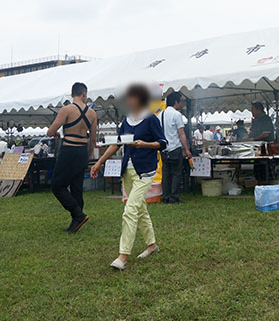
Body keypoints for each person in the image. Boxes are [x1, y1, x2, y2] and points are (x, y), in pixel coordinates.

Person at [91, 84, 166, 270]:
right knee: (140, 210)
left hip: (145, 171)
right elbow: (117, 144)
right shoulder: (127, 121)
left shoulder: (151, 119)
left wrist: (145, 144)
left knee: (130, 210)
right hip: (128, 171)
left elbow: (162, 143)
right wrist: (99, 162)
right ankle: (152, 245)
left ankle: (122, 256)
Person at [46, 82, 97, 232]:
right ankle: (76, 221)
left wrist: (55, 132)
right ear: (84, 94)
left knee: (57, 186)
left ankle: (78, 214)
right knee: (76, 187)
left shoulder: (67, 110)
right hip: (82, 151)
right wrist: (87, 156)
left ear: (71, 94)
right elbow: (93, 139)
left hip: (69, 149)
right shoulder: (92, 114)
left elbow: (50, 132)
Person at [160, 91, 192, 204]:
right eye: (180, 101)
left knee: (166, 174)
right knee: (176, 174)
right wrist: (187, 150)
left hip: (164, 149)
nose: (181, 104)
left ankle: (166, 197)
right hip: (175, 148)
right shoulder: (177, 115)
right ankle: (174, 198)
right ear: (176, 102)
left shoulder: (160, 115)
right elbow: (181, 133)